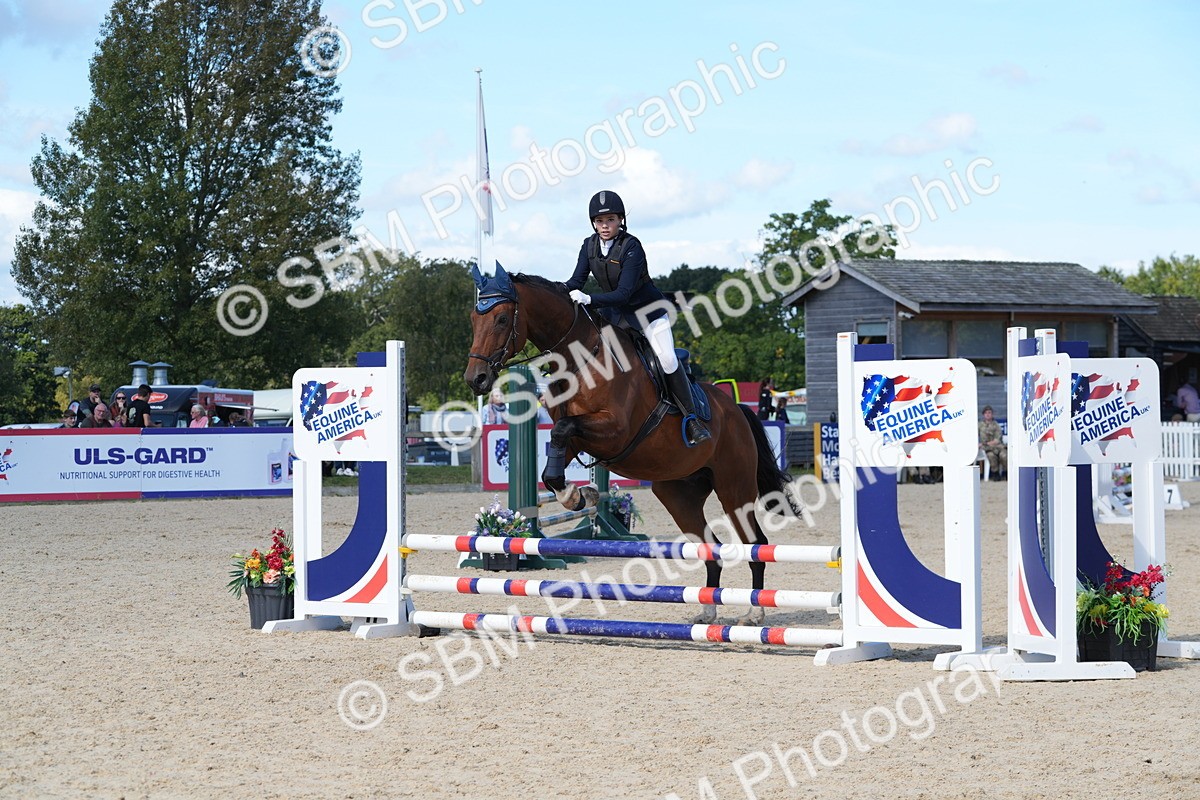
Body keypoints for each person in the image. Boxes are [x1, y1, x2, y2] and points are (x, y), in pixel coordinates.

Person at [564, 190, 711, 446]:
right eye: (599, 221)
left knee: (665, 358)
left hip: (647, 312)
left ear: (620, 220)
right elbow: (575, 281)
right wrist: (550, 291)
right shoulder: (589, 246)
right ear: (593, 223)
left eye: (610, 219)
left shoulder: (631, 246)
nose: (604, 225)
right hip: (616, 315)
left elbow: (623, 293)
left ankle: (692, 419)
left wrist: (590, 299)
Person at [979, 404, 1007, 480]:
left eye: (989, 413)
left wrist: (986, 443)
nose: (988, 414)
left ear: (992, 414)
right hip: (987, 449)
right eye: (986, 413)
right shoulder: (980, 425)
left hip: (997, 447)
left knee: (1004, 455)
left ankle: (1005, 473)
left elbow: (997, 440)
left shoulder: (996, 425)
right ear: (983, 415)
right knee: (991, 456)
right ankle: (995, 474)